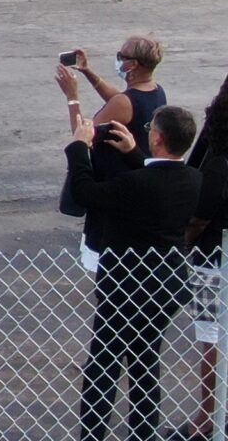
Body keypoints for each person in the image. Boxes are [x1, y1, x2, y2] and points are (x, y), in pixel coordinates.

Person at [67, 103, 201, 441]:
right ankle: (143, 433)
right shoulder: (193, 179)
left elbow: (86, 193)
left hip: (125, 285)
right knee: (145, 361)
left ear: (157, 138)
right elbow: (157, 180)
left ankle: (93, 434)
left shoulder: (134, 184)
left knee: (104, 363)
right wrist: (133, 153)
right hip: (166, 285)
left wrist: (78, 146)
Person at [63, 37, 170, 272]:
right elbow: (120, 100)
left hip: (113, 186)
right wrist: (88, 72)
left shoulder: (125, 102)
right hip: (137, 183)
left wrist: (72, 96)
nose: (118, 58)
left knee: (107, 261)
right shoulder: (155, 91)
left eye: (122, 55)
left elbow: (82, 136)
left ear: (132, 65)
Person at [185, 71, 228, 438]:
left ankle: (208, 417)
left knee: (210, 336)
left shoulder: (217, 156)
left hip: (211, 260)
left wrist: (181, 242)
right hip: (216, 254)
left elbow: (199, 213)